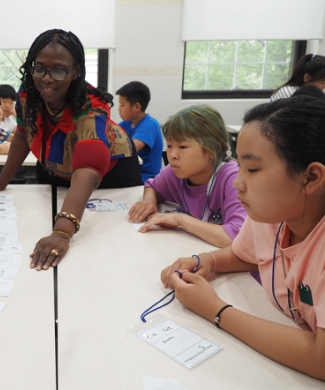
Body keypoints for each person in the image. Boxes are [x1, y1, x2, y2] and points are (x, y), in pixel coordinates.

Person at [160, 96, 325, 380]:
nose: (237, 182)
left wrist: (215, 309)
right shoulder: (272, 216)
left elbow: (320, 358)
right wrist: (206, 260)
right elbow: (244, 254)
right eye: (238, 167)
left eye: (252, 169)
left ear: (311, 178)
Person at [0, 29, 142, 270]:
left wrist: (62, 232)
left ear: (76, 71)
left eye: (59, 70)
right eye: (40, 68)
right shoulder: (28, 93)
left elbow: (88, 170)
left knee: (109, 250)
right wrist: (2, 181)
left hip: (111, 174)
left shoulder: (91, 105)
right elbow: (22, 134)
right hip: (57, 169)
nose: (47, 78)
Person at [128, 105, 246, 248]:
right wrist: (149, 201)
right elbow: (152, 186)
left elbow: (238, 238)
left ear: (211, 150)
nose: (172, 155)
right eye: (169, 146)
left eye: (182, 147)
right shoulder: (175, 171)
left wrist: (180, 219)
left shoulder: (233, 179)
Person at [116, 81, 163, 182]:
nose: (119, 109)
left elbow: (129, 149)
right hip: (132, 174)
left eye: (122, 105)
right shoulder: (127, 123)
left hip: (146, 178)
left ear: (136, 107)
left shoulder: (150, 124)